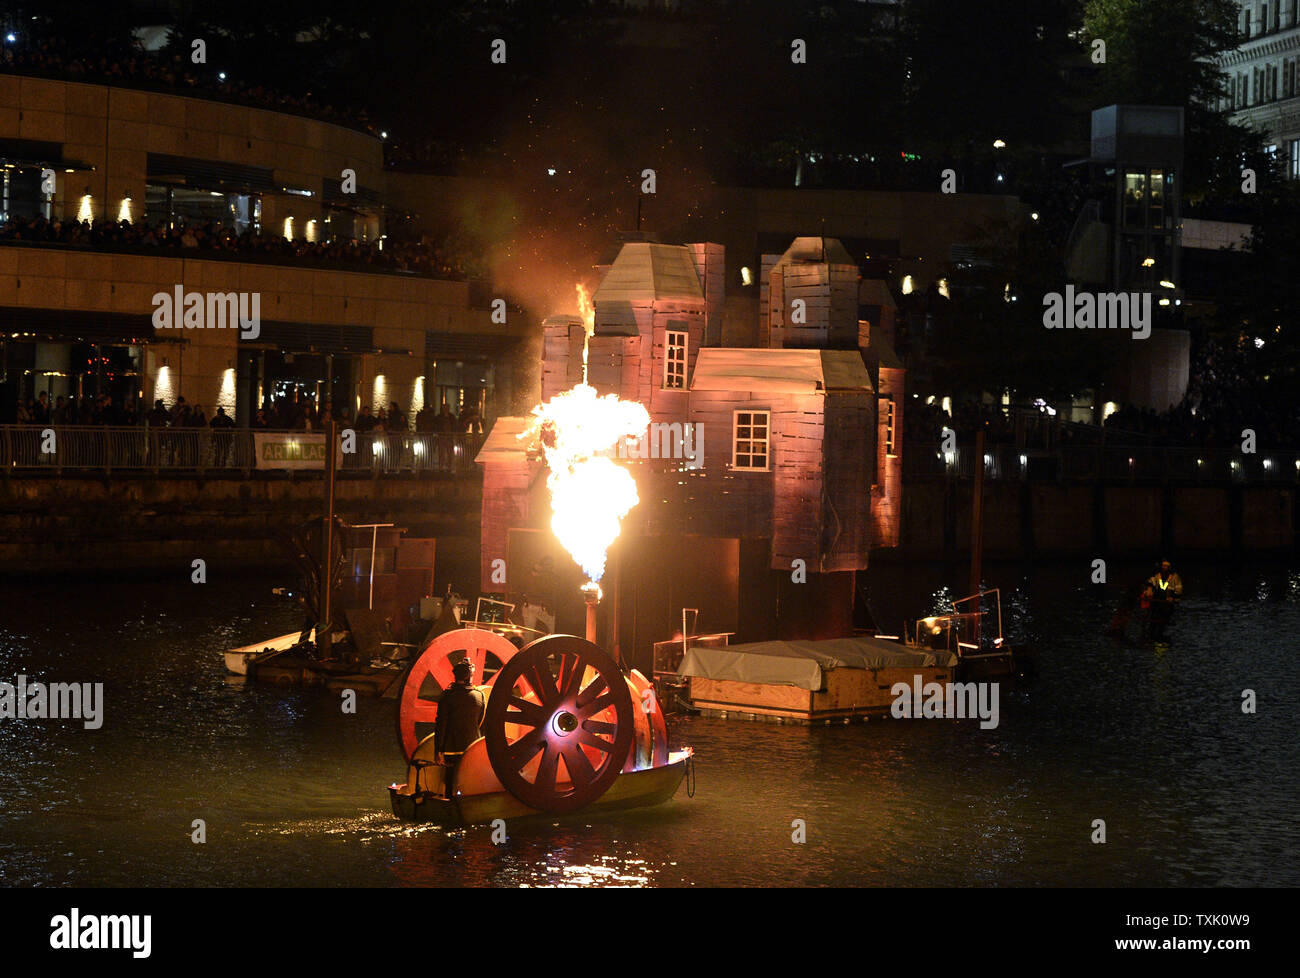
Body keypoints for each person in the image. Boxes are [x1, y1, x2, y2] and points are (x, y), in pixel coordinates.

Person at [433, 658, 485, 797]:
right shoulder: (479, 696)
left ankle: (449, 803)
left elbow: (441, 724)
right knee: (469, 779)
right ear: (469, 677)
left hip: (451, 748)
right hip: (472, 746)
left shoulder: (447, 696)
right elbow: (480, 722)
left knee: (450, 780)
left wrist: (438, 749)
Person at [1143, 559, 1183, 640]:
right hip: (1156, 602)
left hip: (1167, 603)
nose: (1164, 567)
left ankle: (1158, 636)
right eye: (1163, 565)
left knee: (1163, 621)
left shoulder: (1175, 577)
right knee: (1153, 620)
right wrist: (1149, 589)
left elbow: (1179, 590)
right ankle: (1151, 635)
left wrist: (1173, 597)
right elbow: (1150, 582)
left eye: (1166, 566)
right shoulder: (1157, 575)